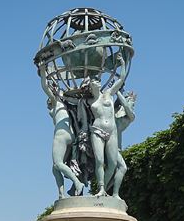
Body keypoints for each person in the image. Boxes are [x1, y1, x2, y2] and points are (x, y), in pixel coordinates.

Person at [85, 53, 127, 197]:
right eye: (93, 82)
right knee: (99, 161)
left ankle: (105, 189)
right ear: (90, 87)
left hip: (112, 131)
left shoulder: (109, 93)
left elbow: (121, 79)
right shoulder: (89, 102)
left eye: (97, 80)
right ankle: (101, 188)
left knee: (113, 164)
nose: (96, 82)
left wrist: (122, 64)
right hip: (97, 130)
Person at [39, 64, 84, 199]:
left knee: (58, 163)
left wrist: (43, 72)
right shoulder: (64, 105)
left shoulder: (57, 101)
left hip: (61, 136)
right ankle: (61, 194)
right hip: (70, 135)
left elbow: (45, 87)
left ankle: (77, 183)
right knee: (55, 168)